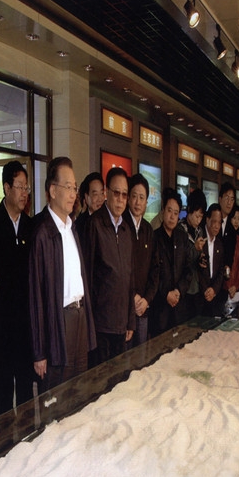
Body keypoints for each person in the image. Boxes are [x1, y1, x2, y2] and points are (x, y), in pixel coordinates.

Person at [28, 156, 96, 392]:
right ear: (52, 190)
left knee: (79, 390)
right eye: (68, 187)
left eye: (74, 188)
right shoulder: (42, 233)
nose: (73, 194)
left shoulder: (71, 228)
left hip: (79, 317)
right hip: (58, 323)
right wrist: (39, 352)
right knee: (57, 396)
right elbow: (35, 297)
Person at [0, 160, 35, 419]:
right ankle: (5, 442)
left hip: (26, 326)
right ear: (6, 188)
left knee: (27, 392)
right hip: (2, 326)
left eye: (27, 187)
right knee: (4, 395)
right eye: (20, 187)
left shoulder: (30, 226)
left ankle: (29, 440)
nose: (25, 193)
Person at [87, 167, 135, 362]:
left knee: (120, 376)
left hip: (121, 325)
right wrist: (90, 324)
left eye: (124, 194)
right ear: (106, 192)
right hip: (101, 325)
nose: (121, 199)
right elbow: (87, 276)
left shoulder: (126, 230)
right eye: (116, 193)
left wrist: (130, 321)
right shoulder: (95, 224)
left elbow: (130, 278)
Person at [123, 173, 159, 348]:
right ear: (129, 199)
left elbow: (155, 269)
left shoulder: (148, 230)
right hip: (125, 308)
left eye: (142, 198)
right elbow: (121, 270)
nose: (138, 202)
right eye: (134, 196)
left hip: (144, 306)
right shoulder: (121, 226)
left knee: (141, 356)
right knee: (125, 357)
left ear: (146, 202)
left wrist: (147, 299)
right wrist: (133, 296)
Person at [151, 189, 193, 335]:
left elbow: (188, 270)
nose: (172, 216)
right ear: (163, 211)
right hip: (160, 309)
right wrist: (166, 294)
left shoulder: (182, 238)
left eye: (176, 213)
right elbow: (152, 273)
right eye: (169, 211)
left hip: (179, 308)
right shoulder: (154, 237)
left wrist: (178, 291)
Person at [179, 188, 207, 319]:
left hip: (197, 287)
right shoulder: (180, 230)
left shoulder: (199, 231)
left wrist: (202, 259)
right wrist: (195, 248)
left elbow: (199, 255)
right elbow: (182, 259)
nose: (199, 220)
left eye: (201, 217)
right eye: (196, 216)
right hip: (184, 288)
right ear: (189, 210)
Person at [198, 203, 225, 317]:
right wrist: (205, 289)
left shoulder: (219, 244)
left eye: (219, 222)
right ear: (207, 219)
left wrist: (214, 290)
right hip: (198, 297)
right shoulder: (199, 238)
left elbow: (221, 271)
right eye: (214, 222)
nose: (217, 226)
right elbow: (195, 268)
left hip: (214, 297)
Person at [75, 171, 105, 253]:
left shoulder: (109, 220)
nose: (100, 199)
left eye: (102, 193)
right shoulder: (80, 225)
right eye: (95, 194)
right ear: (87, 197)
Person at [224, 204, 239, 316]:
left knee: (234, 318)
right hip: (224, 287)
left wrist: (236, 285)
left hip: (236, 288)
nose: (236, 221)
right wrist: (229, 286)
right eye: (234, 218)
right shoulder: (224, 237)